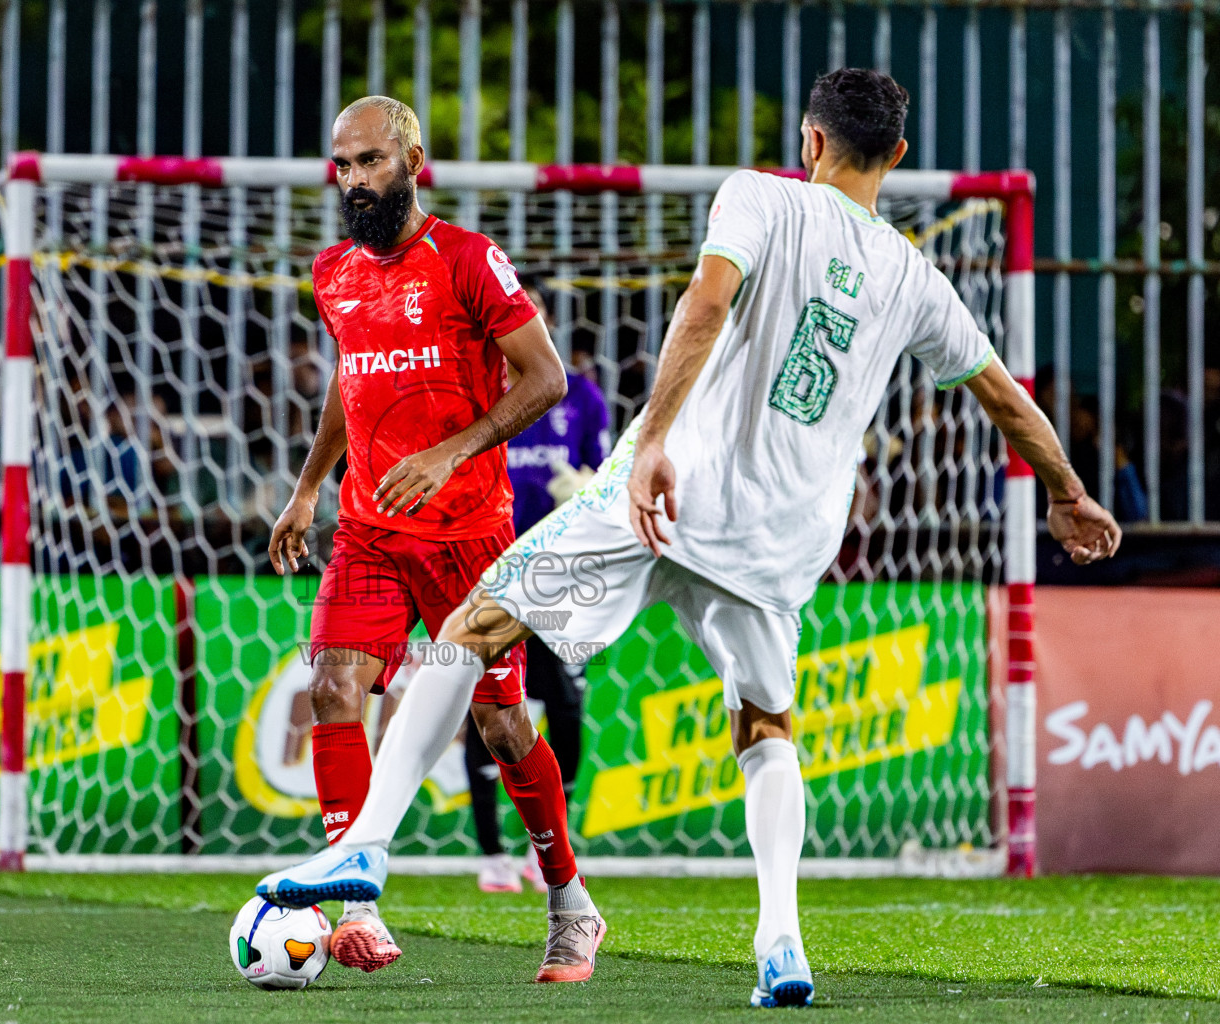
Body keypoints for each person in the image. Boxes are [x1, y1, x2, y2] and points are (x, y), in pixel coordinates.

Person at [259, 69, 1121, 1008]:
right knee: (764, 728)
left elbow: (705, 306)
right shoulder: (917, 278)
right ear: (897, 158)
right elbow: (1004, 395)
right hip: (784, 543)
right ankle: (781, 943)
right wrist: (1070, 492)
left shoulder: (760, 196)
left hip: (669, 494)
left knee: (473, 627)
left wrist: (654, 441)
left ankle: (370, 850)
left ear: (811, 143)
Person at [260, 95, 605, 982]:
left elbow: (547, 379)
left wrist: (454, 452)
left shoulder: (470, 260)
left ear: (414, 159)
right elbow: (350, 376)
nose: (354, 180)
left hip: (469, 537)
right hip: (370, 529)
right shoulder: (332, 271)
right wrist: (306, 490)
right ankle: (357, 907)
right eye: (341, 164)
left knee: (500, 724)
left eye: (370, 161)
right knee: (336, 686)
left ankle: (570, 901)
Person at [466, 280, 610, 894]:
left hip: (555, 577)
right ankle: (492, 852)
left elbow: (604, 484)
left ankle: (552, 839)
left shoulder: (582, 399)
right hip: (488, 571)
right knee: (485, 707)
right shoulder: (473, 393)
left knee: (566, 708)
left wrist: (582, 486)